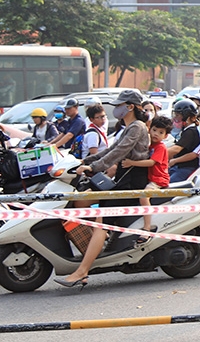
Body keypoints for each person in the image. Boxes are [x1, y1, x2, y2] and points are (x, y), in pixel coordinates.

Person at [55, 89, 151, 288]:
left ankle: (82, 271)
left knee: (101, 220)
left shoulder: (137, 127)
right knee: (86, 204)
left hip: (133, 182)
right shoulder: (129, 126)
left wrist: (93, 167)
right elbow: (110, 150)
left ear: (130, 106)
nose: (115, 109)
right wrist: (82, 161)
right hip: (123, 179)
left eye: (118, 105)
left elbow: (119, 152)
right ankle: (96, 252)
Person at [122, 115, 172, 242]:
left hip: (158, 180)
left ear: (166, 136)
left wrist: (131, 163)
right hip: (150, 177)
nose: (156, 134)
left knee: (144, 197)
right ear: (149, 128)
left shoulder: (160, 147)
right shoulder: (149, 145)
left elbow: (151, 162)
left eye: (161, 132)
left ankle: (147, 228)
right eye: (154, 130)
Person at [167, 100, 200, 183]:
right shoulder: (185, 130)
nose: (176, 118)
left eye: (178, 116)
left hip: (185, 168)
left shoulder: (190, 132)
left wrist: (159, 153)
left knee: (167, 188)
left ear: (190, 117)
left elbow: (176, 149)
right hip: (177, 166)